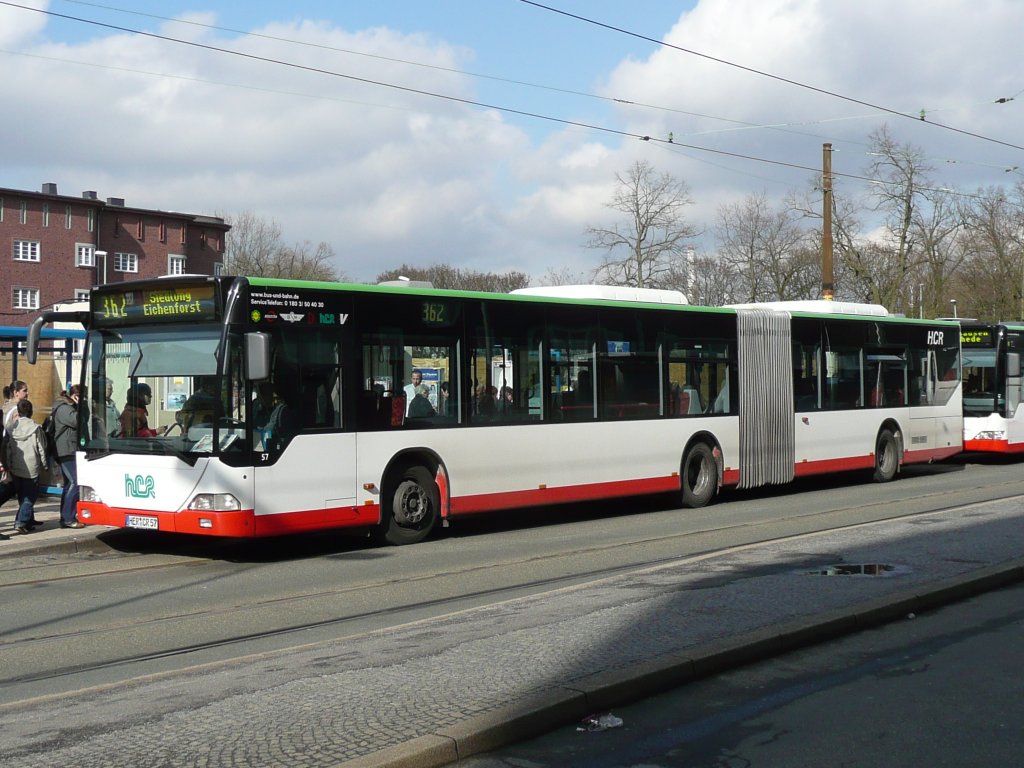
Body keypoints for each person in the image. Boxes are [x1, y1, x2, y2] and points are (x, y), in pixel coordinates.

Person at [5, 399, 47, 535]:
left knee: (22, 495)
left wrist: (9, 464)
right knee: (30, 496)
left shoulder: (11, 428)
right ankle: (21, 522)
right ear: (31, 412)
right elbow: (42, 448)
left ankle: (28, 522)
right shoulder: (36, 428)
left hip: (16, 466)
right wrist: (45, 465)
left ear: (18, 411)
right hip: (31, 467)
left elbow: (8, 449)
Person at [52, 386, 85, 529]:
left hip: (69, 449)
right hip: (65, 450)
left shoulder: (68, 407)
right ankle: (68, 518)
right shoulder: (64, 408)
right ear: (75, 395)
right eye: (82, 396)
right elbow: (77, 421)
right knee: (75, 482)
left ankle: (66, 516)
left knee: (69, 484)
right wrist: (81, 405)